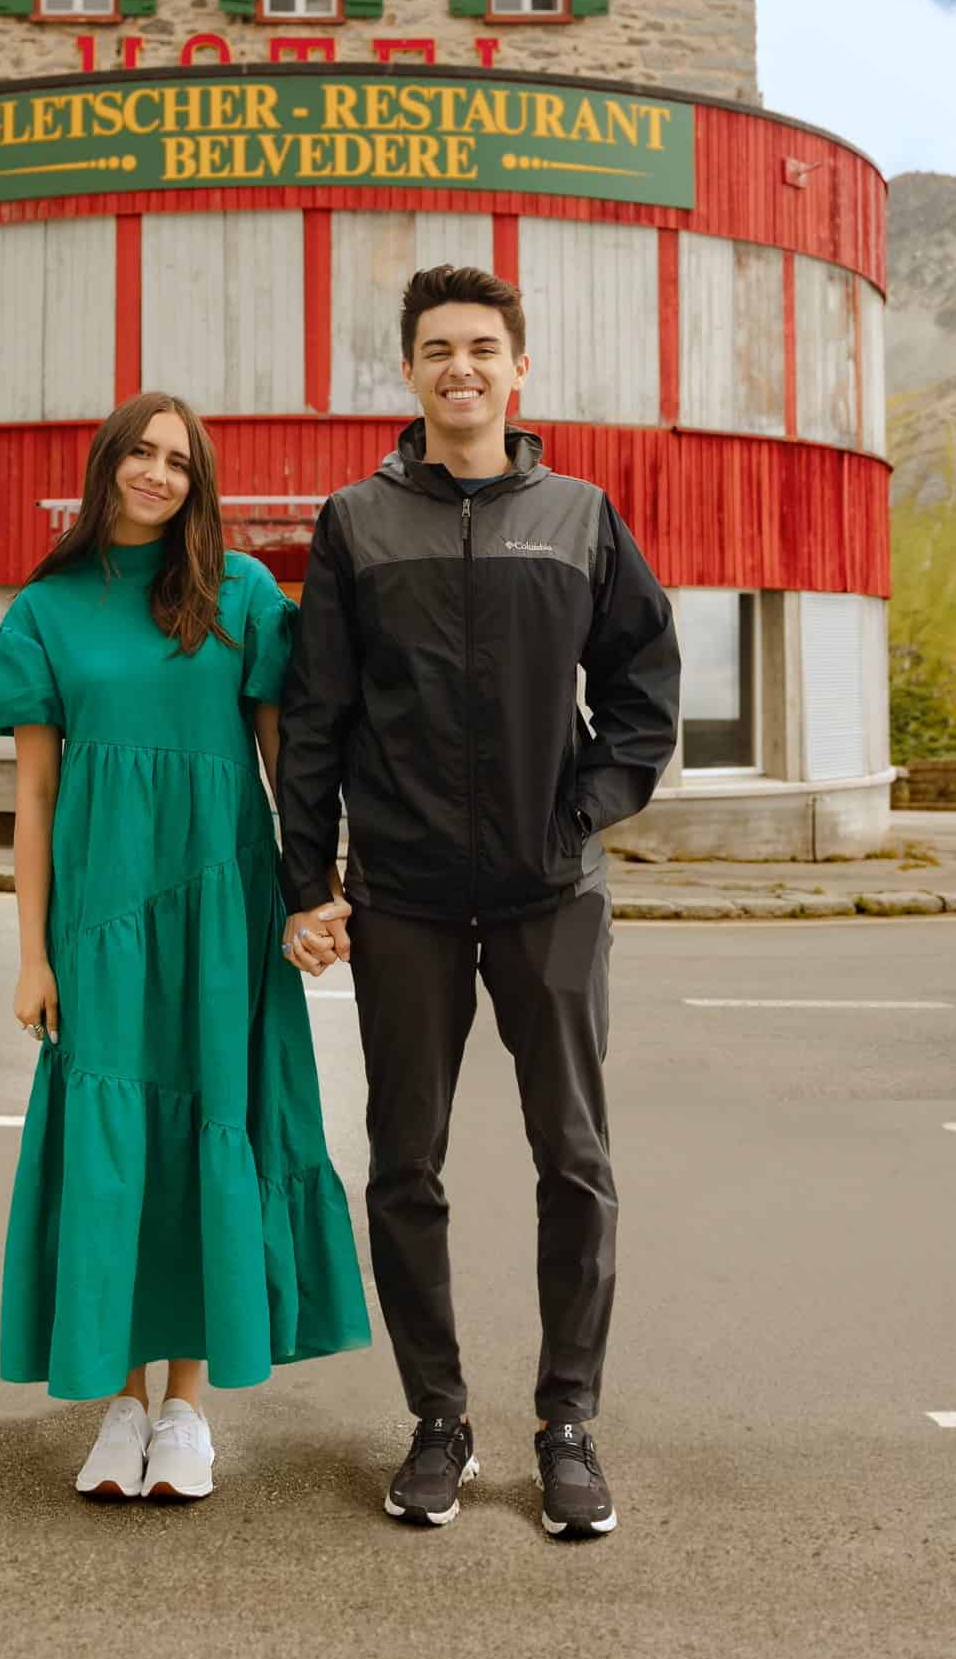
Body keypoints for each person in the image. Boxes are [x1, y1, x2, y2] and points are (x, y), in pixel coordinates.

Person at [275, 264, 680, 1540]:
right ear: (408, 373)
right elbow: (314, 717)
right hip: (401, 895)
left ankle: (567, 1422)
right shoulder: (356, 523)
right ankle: (437, 1418)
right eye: (438, 348)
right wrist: (309, 877)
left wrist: (584, 806)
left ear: (519, 371)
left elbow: (642, 683)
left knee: (575, 1157)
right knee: (404, 1163)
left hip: (547, 890)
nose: (461, 366)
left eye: (482, 347)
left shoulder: (578, 514)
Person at [0, 391, 369, 1503]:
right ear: (106, 463)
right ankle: (121, 1401)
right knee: (113, 1155)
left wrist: (312, 893)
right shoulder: (46, 608)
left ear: (199, 483)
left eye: (179, 461)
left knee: (213, 1125)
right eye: (141, 453)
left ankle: (188, 1403)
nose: (157, 473)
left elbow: (290, 762)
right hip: (97, 917)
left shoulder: (238, 594)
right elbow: (35, 793)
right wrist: (32, 951)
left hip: (221, 910)